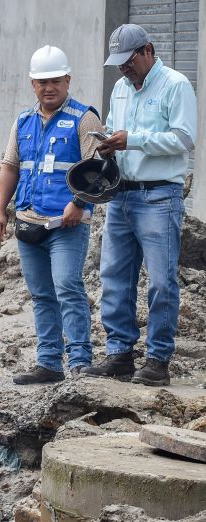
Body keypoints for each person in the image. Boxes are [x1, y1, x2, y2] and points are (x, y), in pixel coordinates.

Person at [81, 25, 197, 386]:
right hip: (122, 194)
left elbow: (184, 138)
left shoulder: (175, 85)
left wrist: (133, 140)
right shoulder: (119, 88)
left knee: (161, 281)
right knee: (114, 277)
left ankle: (158, 359)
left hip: (160, 196)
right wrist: (109, 142)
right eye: (118, 64)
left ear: (147, 50)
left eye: (128, 61)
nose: (123, 69)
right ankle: (119, 354)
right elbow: (117, 129)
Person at [0, 45, 103, 384]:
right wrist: (0, 212)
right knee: (41, 294)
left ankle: (81, 361)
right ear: (32, 84)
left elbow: (98, 169)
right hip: (29, 223)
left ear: (68, 80)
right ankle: (49, 363)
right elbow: (10, 167)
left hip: (67, 224)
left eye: (55, 81)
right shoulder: (23, 121)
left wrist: (79, 204)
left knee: (67, 286)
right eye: (41, 82)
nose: (48, 87)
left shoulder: (85, 119)